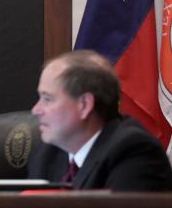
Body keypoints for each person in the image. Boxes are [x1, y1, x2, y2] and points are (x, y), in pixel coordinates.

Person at [27, 50, 172, 191]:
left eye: (47, 99)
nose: (36, 110)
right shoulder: (47, 153)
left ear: (84, 105)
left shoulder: (134, 152)